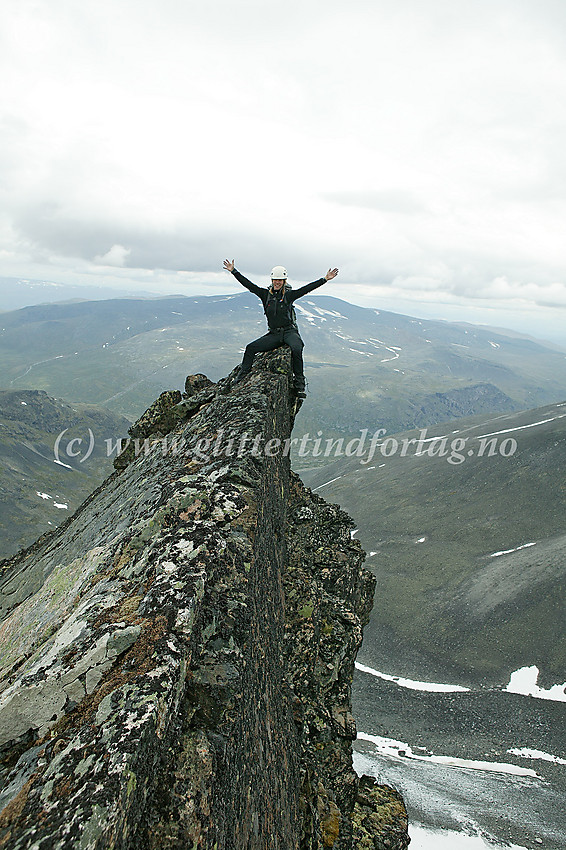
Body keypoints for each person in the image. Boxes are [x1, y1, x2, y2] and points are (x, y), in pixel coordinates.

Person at [223, 260, 339, 394]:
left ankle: (299, 383)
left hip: (289, 332)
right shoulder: (265, 295)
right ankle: (243, 376)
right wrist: (234, 271)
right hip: (274, 334)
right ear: (272, 280)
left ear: (284, 281)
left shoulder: (288, 296)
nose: (277, 282)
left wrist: (325, 279)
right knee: (250, 348)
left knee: (297, 348)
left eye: (280, 280)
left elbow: (306, 289)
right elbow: (248, 284)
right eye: (275, 280)